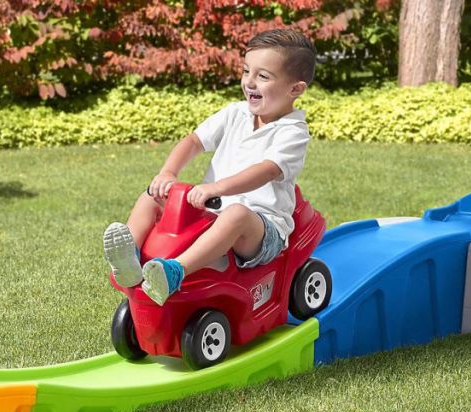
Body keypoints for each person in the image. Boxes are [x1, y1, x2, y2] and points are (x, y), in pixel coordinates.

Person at [103, 29, 316, 306]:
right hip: (212, 212)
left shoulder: (293, 131)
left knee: (237, 213)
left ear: (295, 89)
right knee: (153, 195)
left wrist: (216, 188)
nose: (249, 82)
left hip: (262, 230)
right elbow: (194, 141)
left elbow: (267, 170)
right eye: (246, 71)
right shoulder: (235, 113)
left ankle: (175, 272)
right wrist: (168, 173)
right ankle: (130, 258)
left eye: (263, 76)